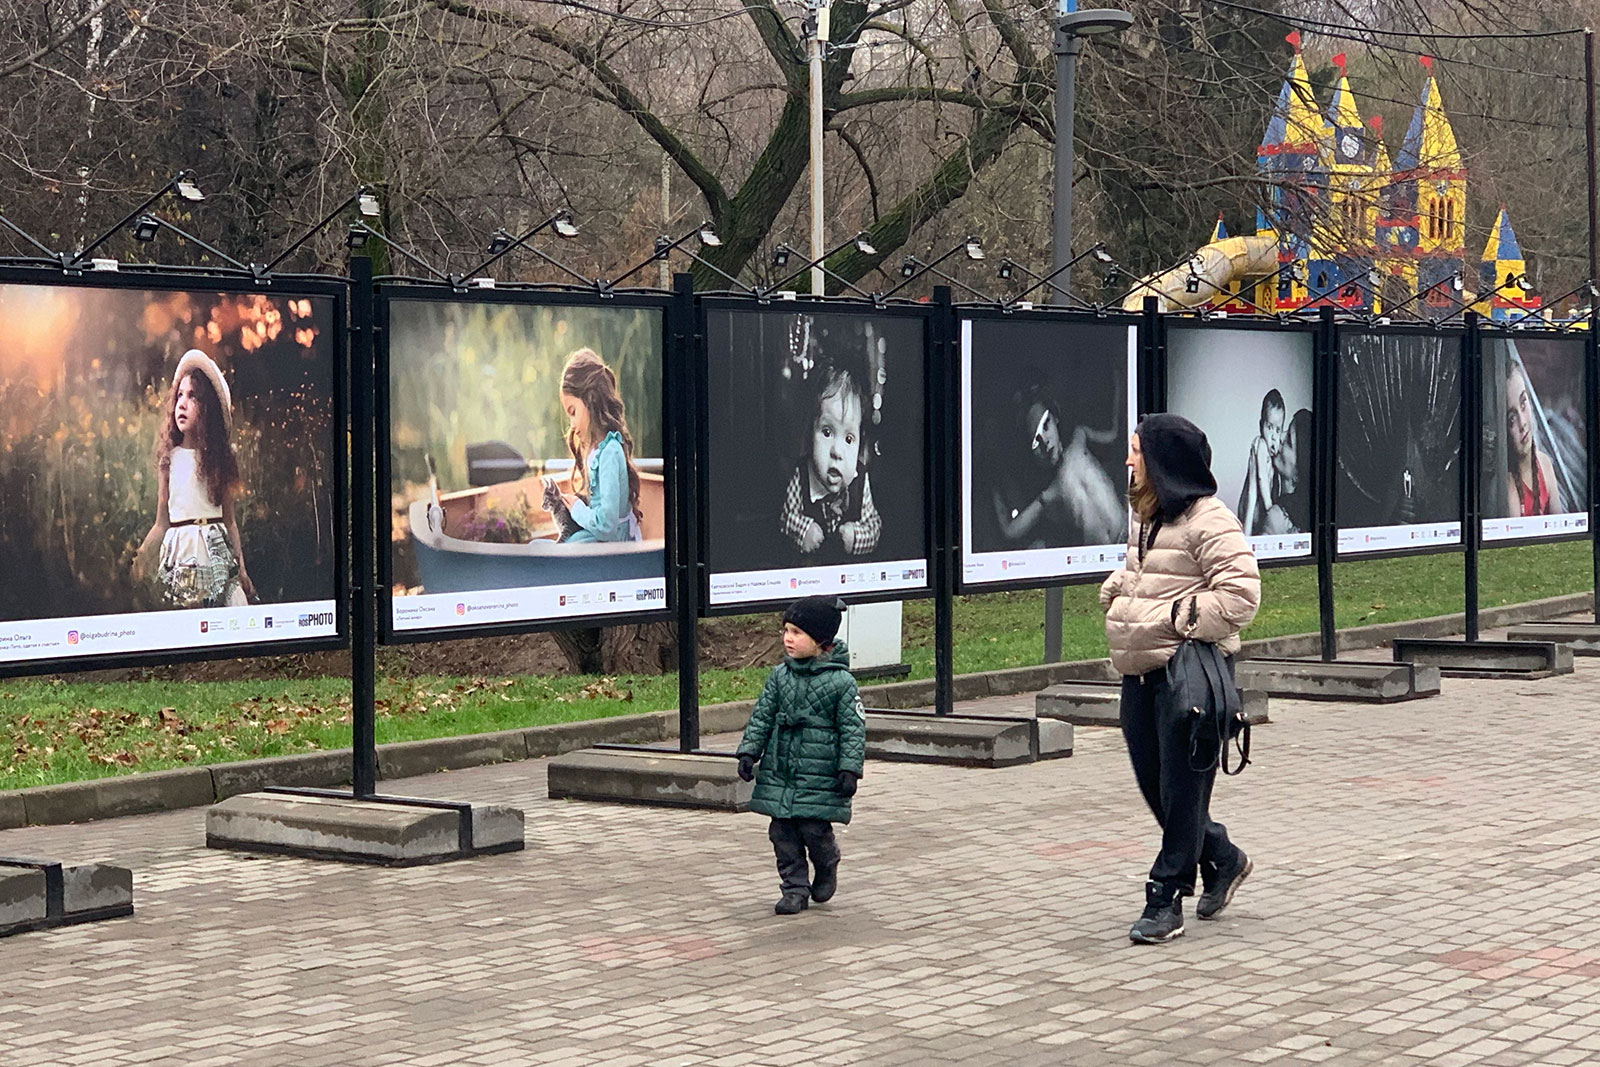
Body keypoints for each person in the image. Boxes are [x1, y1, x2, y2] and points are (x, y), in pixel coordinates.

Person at [1099, 414, 1261, 945]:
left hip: (1188, 676)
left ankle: (1165, 897)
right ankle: (1222, 855)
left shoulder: (1210, 521)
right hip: (1138, 672)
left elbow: (1240, 596)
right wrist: (1122, 586)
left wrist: (1176, 619)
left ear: (1163, 460)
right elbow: (1159, 574)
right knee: (1161, 791)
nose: (1128, 460)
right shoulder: (1145, 514)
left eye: (1137, 451)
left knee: (1183, 789)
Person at [736, 596, 867, 915]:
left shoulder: (841, 682)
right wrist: (749, 751)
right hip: (781, 769)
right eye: (786, 631)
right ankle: (794, 888)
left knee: (813, 829)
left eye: (797, 632)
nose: (788, 638)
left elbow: (853, 728)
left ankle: (827, 863)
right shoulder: (780, 676)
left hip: (819, 772)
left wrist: (849, 769)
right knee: (781, 832)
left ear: (821, 640)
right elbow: (762, 715)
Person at [133, 349, 255, 608]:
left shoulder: (218, 459)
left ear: (207, 408)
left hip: (216, 553)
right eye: (179, 396)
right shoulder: (170, 459)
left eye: (192, 397)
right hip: (181, 556)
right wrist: (142, 555)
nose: (182, 404)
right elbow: (161, 522)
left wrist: (242, 569)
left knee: (227, 611)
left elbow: (230, 521)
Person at [990, 389, 1126, 549]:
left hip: (1130, 534)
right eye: (1036, 442)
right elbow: (1010, 531)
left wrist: (1119, 379)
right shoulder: (1052, 490)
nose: (1045, 442)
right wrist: (992, 476)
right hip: (1104, 559)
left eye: (1046, 426)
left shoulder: (1079, 437)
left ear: (1055, 418)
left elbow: (1115, 435)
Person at [541, 348, 645, 543]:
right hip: (599, 536)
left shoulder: (610, 453)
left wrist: (577, 509)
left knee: (549, 554)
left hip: (612, 542)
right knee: (537, 546)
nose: (571, 425)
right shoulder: (595, 450)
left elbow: (606, 525)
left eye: (573, 412)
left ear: (591, 399)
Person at [779, 363, 881, 557]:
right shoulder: (801, 476)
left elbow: (874, 527)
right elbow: (785, 517)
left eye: (849, 439)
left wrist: (856, 537)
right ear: (810, 434)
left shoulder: (860, 480)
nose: (837, 451)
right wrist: (804, 531)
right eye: (827, 432)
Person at [1504, 360, 1560, 518]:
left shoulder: (1545, 465)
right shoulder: (1509, 487)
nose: (1522, 423)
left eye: (1523, 403)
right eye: (1512, 418)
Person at [1237, 389, 1286, 536]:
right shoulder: (1261, 445)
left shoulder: (1274, 449)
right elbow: (1261, 478)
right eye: (1269, 427)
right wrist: (1270, 507)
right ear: (1260, 426)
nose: (1273, 436)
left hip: (1261, 510)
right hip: (1253, 506)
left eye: (1278, 430)